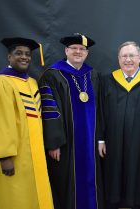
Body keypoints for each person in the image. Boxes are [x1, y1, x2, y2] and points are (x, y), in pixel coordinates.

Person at [0, 37, 54, 209]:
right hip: (13, 157)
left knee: (34, 196)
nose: (24, 57)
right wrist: (4, 157)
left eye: (27, 54)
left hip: (34, 155)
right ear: (9, 57)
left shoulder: (31, 82)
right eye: (18, 53)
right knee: (15, 199)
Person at [38, 33, 103, 209]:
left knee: (90, 178)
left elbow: (100, 110)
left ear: (87, 53)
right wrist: (53, 143)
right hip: (65, 144)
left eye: (82, 49)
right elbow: (49, 110)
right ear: (66, 50)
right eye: (74, 48)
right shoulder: (52, 75)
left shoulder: (93, 75)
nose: (78, 51)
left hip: (90, 142)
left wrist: (100, 139)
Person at [98, 41, 140, 209]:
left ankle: (138, 204)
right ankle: (113, 202)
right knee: (114, 173)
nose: (128, 59)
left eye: (132, 55)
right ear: (118, 59)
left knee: (139, 173)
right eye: (124, 56)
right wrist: (100, 140)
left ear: (139, 58)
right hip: (113, 139)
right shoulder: (107, 80)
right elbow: (101, 112)